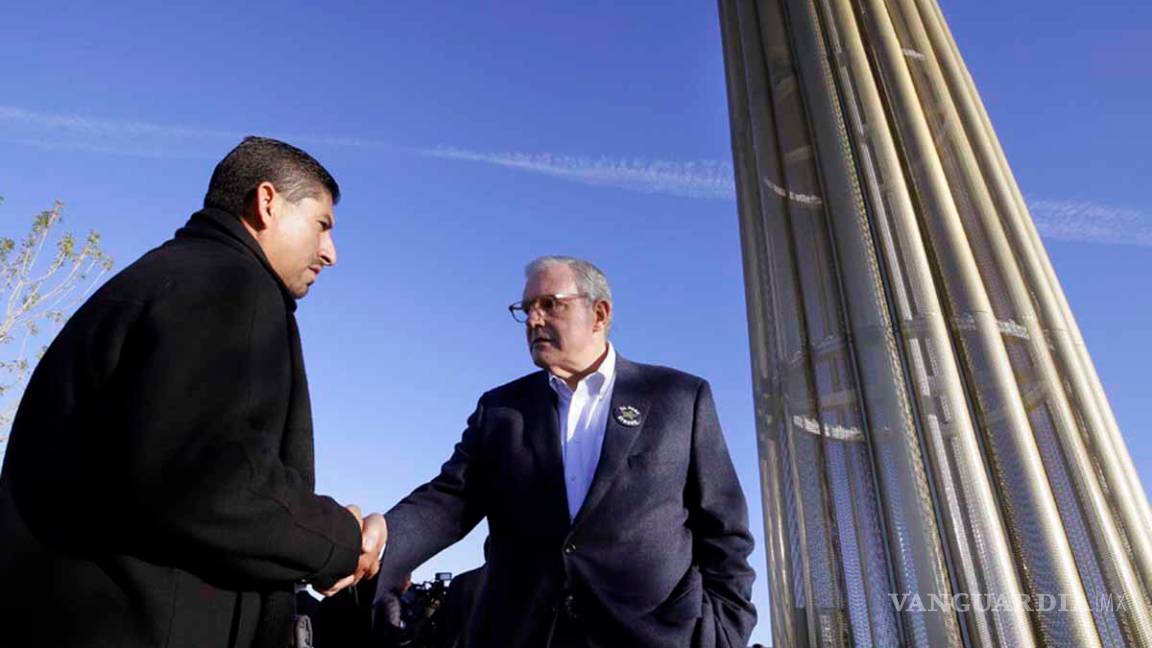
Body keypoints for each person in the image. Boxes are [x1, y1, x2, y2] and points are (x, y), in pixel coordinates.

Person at [0, 136, 386, 648]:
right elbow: (213, 484)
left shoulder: (153, 281)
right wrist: (339, 537)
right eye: (322, 225)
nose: (330, 253)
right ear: (267, 203)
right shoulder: (232, 287)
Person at [374, 256, 756, 648]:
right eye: (526, 310)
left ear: (599, 314)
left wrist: (723, 633)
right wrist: (380, 537)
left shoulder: (679, 398)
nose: (534, 320)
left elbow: (724, 532)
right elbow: (449, 500)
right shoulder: (502, 410)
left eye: (550, 305)